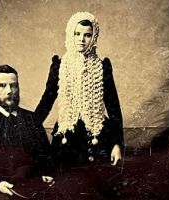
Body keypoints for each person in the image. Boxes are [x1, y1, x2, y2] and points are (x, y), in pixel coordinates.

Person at [35, 12, 124, 169]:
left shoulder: (102, 67)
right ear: (70, 34)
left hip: (97, 137)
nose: (81, 39)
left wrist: (117, 144)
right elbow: (46, 102)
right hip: (67, 136)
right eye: (77, 34)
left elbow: (113, 107)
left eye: (87, 35)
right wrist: (30, 128)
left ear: (94, 37)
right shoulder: (60, 66)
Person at [0, 65, 54, 200]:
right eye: (2, 86)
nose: (9, 91)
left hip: (33, 189)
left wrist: (46, 175)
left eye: (13, 85)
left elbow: (46, 158)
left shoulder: (32, 119)